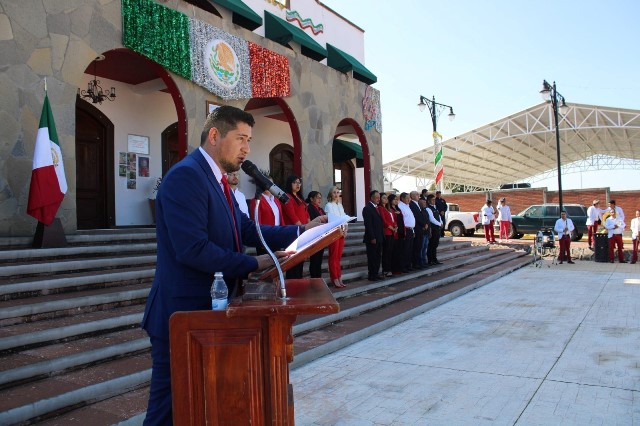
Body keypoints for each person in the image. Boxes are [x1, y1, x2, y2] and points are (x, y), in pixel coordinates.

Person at [141, 105, 325, 425]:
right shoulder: (187, 176)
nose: (246, 149)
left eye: (249, 140)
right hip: (182, 314)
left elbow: (247, 229)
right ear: (214, 135)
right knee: (168, 411)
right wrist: (252, 262)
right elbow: (193, 249)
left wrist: (302, 232)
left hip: (210, 314)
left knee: (200, 408)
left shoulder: (218, 181)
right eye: (240, 138)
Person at [282, 175, 310, 279]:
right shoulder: (287, 197)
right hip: (293, 232)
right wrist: (303, 228)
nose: (298, 185)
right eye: (295, 182)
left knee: (300, 260)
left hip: (302, 232)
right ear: (290, 184)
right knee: (293, 261)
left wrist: (309, 226)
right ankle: (292, 283)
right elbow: (292, 216)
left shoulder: (299, 198)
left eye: (299, 183)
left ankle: (298, 281)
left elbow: (306, 214)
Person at [249, 177, 285, 255]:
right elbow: (256, 222)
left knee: (279, 260)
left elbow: (280, 218)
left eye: (270, 183)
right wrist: (261, 240)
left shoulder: (276, 200)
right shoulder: (256, 200)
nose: (267, 185)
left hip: (277, 235)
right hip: (266, 236)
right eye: (265, 183)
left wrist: (283, 234)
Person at [325, 186, 349, 287]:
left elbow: (344, 218)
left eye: (338, 192)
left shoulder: (340, 205)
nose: (336, 194)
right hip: (334, 232)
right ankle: (334, 278)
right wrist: (339, 229)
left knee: (338, 257)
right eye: (334, 192)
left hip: (341, 232)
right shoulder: (328, 205)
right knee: (333, 256)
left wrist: (346, 229)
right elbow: (331, 220)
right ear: (331, 194)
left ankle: (339, 277)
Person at [362, 190, 384, 281]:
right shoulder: (367, 208)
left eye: (379, 197)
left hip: (379, 237)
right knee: (372, 257)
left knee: (378, 256)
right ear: (371, 198)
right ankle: (371, 275)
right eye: (377, 197)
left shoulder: (377, 208)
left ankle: (376, 273)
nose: (378, 199)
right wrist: (372, 237)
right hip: (372, 238)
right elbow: (368, 225)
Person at [306, 191, 326, 278]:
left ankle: (318, 277)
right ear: (311, 199)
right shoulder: (310, 208)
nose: (319, 200)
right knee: (314, 260)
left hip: (321, 236)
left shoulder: (320, 209)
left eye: (320, 198)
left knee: (319, 260)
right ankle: (314, 278)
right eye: (317, 197)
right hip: (314, 236)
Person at [379, 193, 397, 277]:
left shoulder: (389, 209)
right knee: (386, 252)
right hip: (387, 232)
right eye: (383, 198)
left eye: (386, 198)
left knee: (390, 251)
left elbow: (394, 220)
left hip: (392, 232)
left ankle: (389, 269)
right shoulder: (380, 208)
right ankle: (385, 270)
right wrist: (391, 228)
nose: (386, 199)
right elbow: (384, 221)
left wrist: (395, 226)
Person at [409, 191, 428, 269]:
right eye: (416, 194)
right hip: (417, 228)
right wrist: (423, 224)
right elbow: (416, 216)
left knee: (419, 246)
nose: (418, 196)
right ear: (412, 196)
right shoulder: (412, 204)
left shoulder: (417, 204)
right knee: (416, 247)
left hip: (421, 228)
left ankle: (419, 262)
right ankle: (416, 263)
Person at [397, 192, 415, 272]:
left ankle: (408, 265)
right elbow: (403, 220)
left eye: (409, 198)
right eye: (407, 198)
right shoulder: (400, 206)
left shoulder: (408, 206)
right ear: (402, 198)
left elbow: (410, 219)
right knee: (405, 249)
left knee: (410, 249)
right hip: (405, 230)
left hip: (411, 230)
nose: (409, 199)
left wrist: (413, 231)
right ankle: (403, 266)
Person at [425, 194, 443, 265]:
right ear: (428, 201)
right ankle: (430, 260)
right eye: (432, 200)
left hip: (437, 228)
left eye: (434, 199)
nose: (434, 201)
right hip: (433, 229)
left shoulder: (434, 208)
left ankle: (434, 259)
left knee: (435, 245)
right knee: (431, 245)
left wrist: (441, 222)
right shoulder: (428, 208)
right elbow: (431, 219)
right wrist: (439, 224)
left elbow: (439, 217)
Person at [419, 197, 430, 267]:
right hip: (422, 232)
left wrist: (429, 230)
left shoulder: (425, 210)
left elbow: (428, 220)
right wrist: (423, 225)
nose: (425, 203)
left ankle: (424, 261)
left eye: (425, 202)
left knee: (425, 247)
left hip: (427, 232)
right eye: (423, 202)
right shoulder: (419, 211)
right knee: (421, 247)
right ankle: (421, 262)